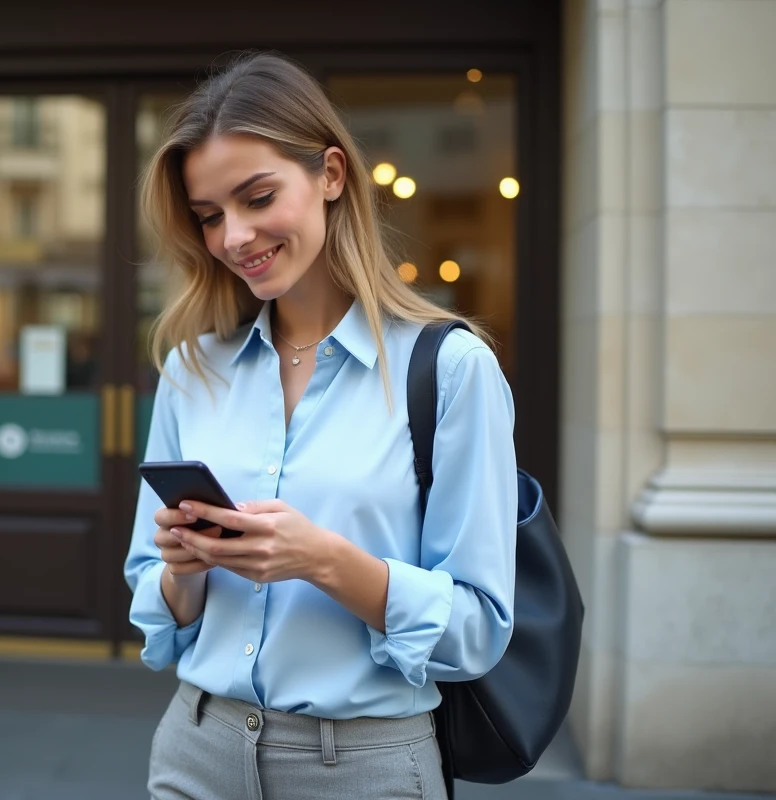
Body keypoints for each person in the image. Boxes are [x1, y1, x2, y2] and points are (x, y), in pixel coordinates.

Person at [123, 52, 517, 800]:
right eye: (210, 216)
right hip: (195, 751)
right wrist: (183, 568)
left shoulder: (452, 370)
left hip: (364, 767)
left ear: (331, 175)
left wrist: (320, 559)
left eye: (257, 196)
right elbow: (157, 605)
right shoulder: (191, 370)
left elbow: (478, 630)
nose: (234, 236)